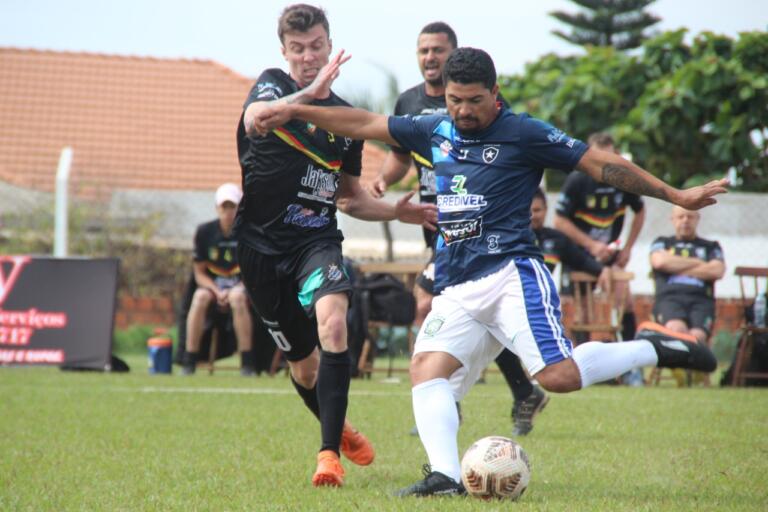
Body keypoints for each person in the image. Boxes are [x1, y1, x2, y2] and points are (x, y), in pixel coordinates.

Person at [251, 46, 726, 497]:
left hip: (510, 274)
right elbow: (365, 122)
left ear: (494, 93)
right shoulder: (434, 127)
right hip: (457, 284)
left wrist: (677, 196)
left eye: (474, 101)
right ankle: (444, 475)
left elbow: (600, 164)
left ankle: (653, 347)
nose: (462, 110)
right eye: (455, 100)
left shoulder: (525, 133)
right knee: (426, 370)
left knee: (556, 378)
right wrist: (298, 111)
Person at [235, 4, 436, 488]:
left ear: (330, 45)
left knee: (335, 324)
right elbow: (256, 120)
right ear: (284, 52)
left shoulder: (344, 120)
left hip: (316, 241)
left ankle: (328, 457)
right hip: (260, 248)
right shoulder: (271, 85)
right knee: (304, 370)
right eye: (298, 49)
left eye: (317, 47)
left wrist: (396, 212)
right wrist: (310, 93)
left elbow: (349, 197)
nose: (308, 56)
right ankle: (338, 425)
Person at [369, 21, 549, 438]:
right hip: (435, 221)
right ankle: (518, 391)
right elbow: (400, 153)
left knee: (428, 302)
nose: (429, 57)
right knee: (473, 310)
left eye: (437, 50)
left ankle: (445, 396)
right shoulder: (408, 101)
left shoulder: (480, 102)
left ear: (453, 55)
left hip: (479, 227)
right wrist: (383, 179)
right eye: (423, 51)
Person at [554, 133, 646, 384]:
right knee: (580, 312)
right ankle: (585, 370)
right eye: (599, 156)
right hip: (580, 256)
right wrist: (592, 245)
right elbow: (559, 220)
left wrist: (627, 248)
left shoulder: (623, 179)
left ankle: (633, 368)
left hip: (610, 256)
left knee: (625, 302)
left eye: (610, 156)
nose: (605, 162)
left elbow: (640, 210)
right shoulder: (576, 180)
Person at [181, 183, 257, 376]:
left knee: (238, 298)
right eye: (224, 207)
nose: (228, 212)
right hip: (213, 288)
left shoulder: (250, 233)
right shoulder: (205, 232)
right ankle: (189, 359)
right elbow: (199, 272)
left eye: (232, 206)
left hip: (241, 287)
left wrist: (237, 288)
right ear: (217, 208)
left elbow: (254, 270)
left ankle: (247, 363)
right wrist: (216, 290)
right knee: (199, 298)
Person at [650, 206, 725, 385]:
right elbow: (660, 262)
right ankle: (684, 374)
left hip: (701, 300)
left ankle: (692, 373)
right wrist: (699, 264)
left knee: (697, 336)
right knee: (677, 330)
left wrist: (676, 265)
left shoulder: (711, 246)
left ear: (697, 219)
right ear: (672, 219)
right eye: (681, 216)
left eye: (690, 216)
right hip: (669, 299)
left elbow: (717, 270)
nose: (685, 220)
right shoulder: (662, 242)